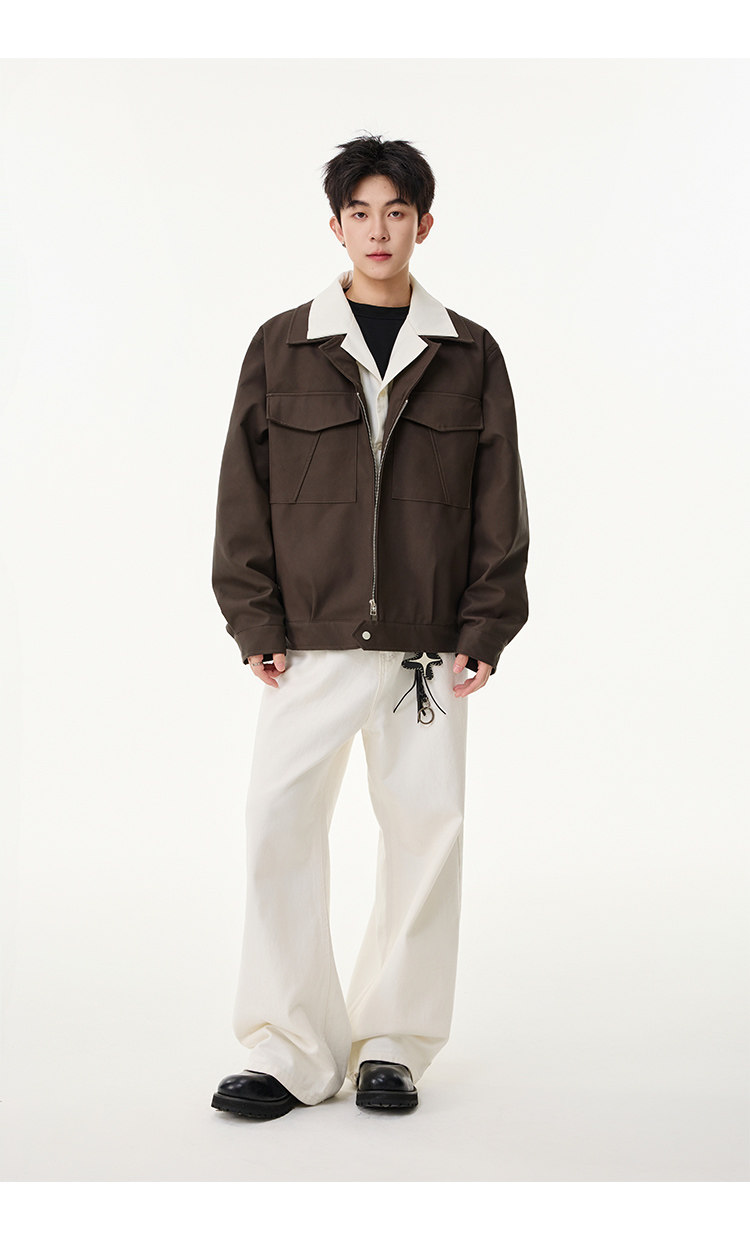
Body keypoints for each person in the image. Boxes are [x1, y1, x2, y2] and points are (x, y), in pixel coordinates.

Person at [209, 132, 530, 1120]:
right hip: (306, 640)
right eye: (361, 213)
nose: (378, 230)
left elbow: (500, 500)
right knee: (277, 821)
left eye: (397, 212)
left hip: (430, 649)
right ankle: (291, 1049)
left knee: (425, 834)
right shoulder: (282, 345)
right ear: (336, 225)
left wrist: (486, 621)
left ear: (424, 224)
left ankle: (393, 1042)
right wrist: (253, 615)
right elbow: (243, 492)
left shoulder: (470, 352)